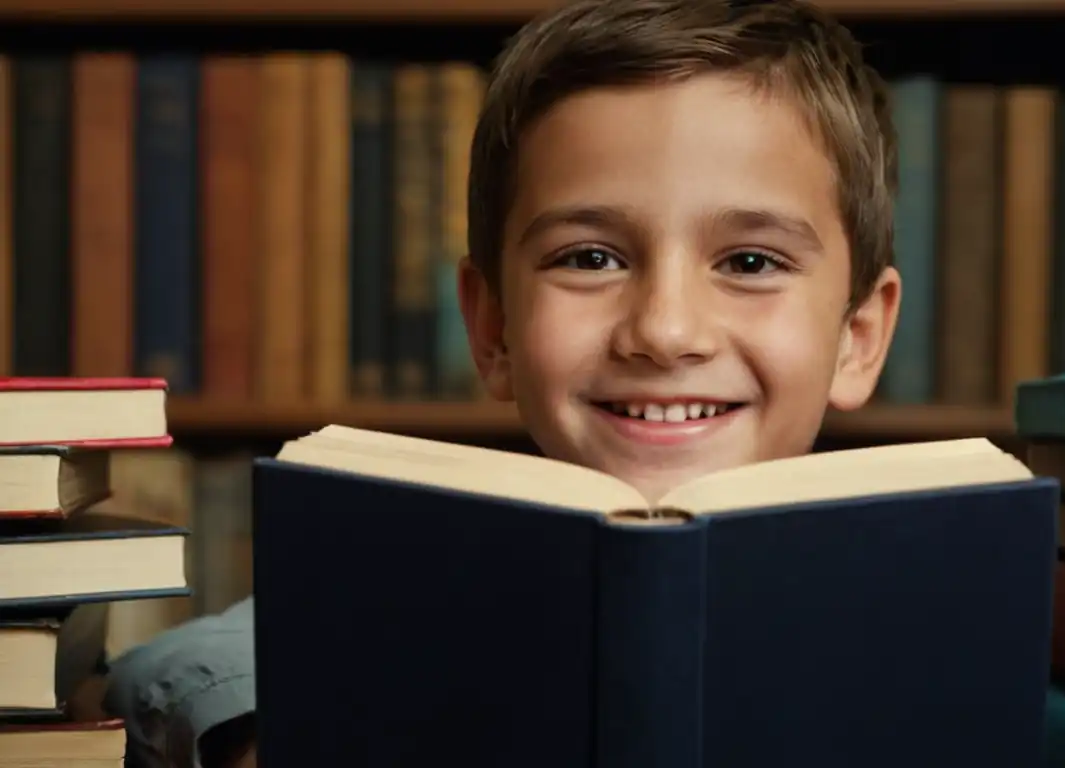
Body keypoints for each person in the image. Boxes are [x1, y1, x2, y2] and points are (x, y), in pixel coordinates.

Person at [102, 0, 902, 764]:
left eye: (750, 262)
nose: (664, 331)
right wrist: (254, 728)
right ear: (493, 330)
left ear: (857, 337)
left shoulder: (929, 621)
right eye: (590, 258)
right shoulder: (400, 611)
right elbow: (156, 674)